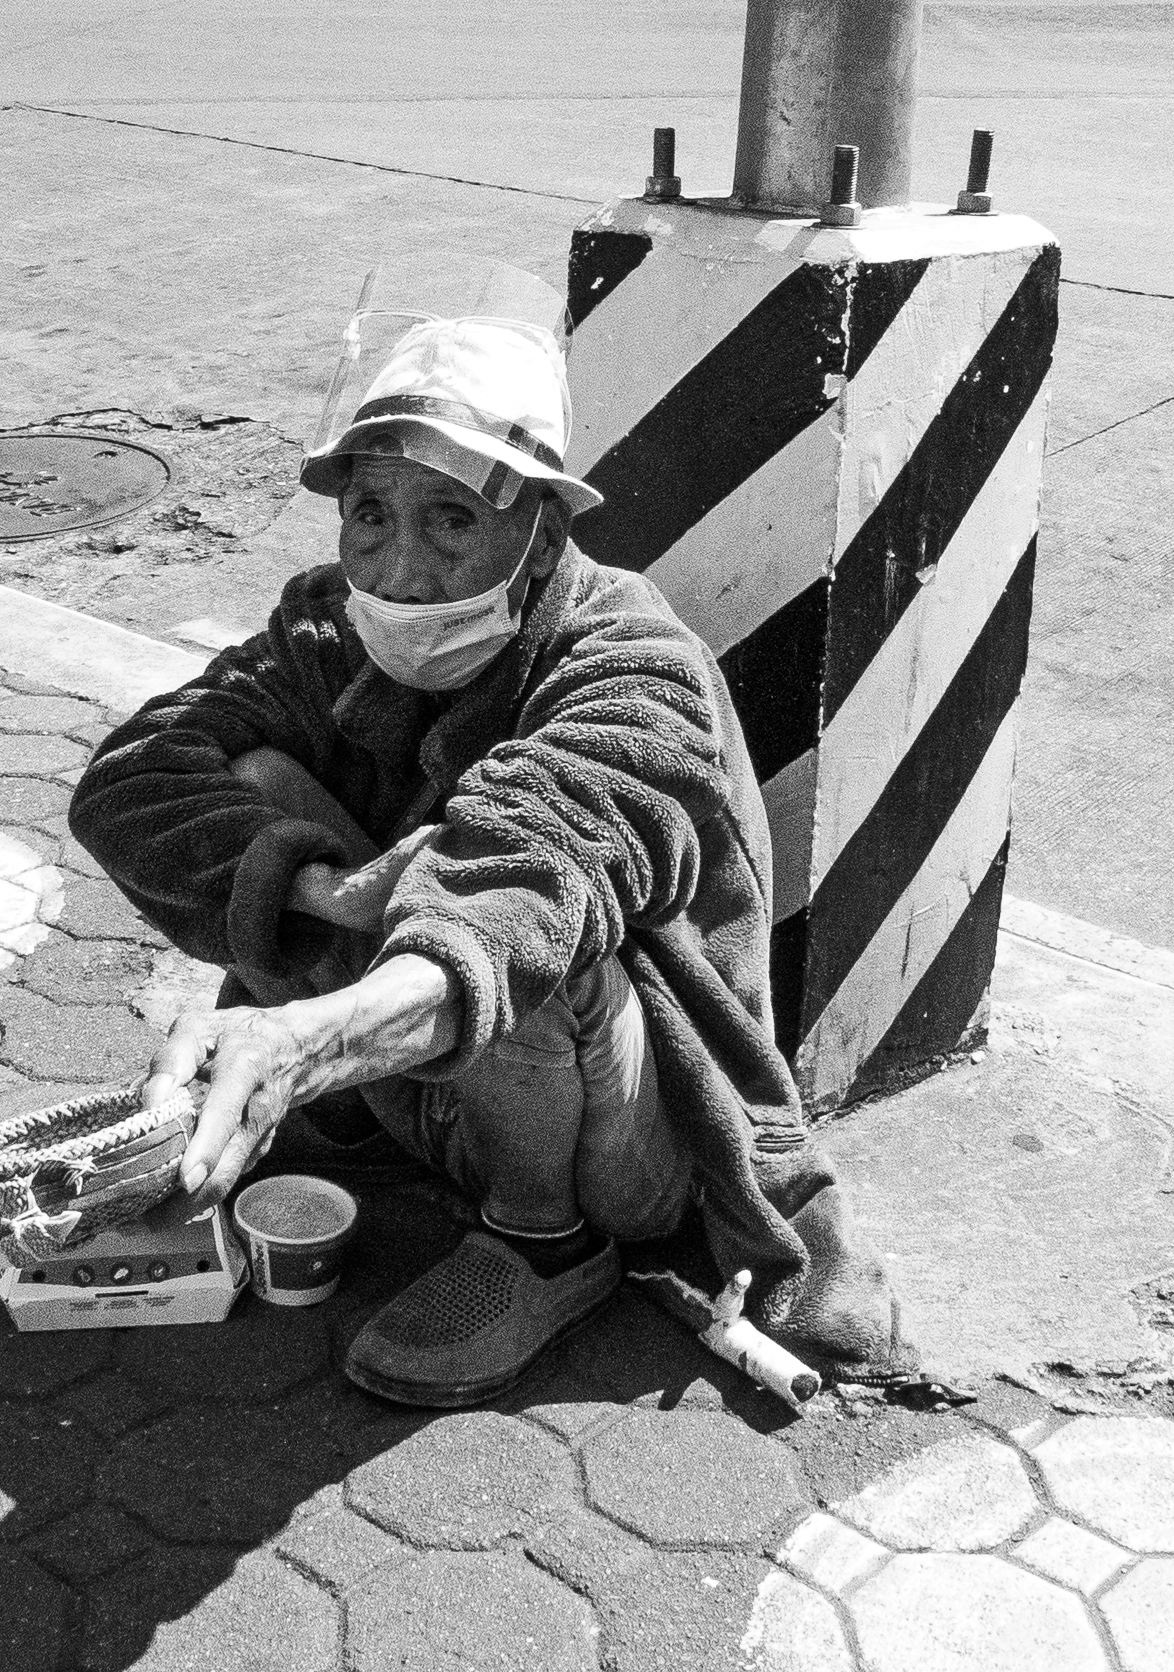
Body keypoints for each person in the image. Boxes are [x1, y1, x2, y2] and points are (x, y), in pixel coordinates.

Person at [69, 265, 917, 1408]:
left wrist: (301, 1036)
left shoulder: (632, 662)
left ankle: (543, 1248)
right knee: (254, 769)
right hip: (417, 1075)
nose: (402, 567)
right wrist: (327, 888)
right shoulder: (326, 622)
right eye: (373, 515)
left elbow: (530, 877)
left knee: (533, 940)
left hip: (626, 1132)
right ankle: (365, 1119)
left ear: (543, 525)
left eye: (453, 519)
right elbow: (133, 778)